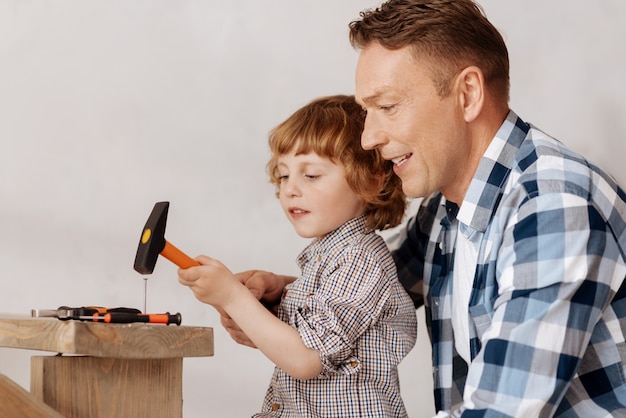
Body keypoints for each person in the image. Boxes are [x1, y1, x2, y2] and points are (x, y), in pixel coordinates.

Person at [220, 1, 626, 417]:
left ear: (467, 94)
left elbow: (500, 411)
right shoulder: (446, 210)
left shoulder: (552, 207)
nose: (368, 138)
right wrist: (280, 295)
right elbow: (371, 289)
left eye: (388, 107)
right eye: (366, 112)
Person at [178, 94, 417, 417]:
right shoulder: (332, 257)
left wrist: (234, 297)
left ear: (373, 179)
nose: (290, 189)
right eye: (284, 175)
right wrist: (281, 290)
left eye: (311, 175)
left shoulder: (361, 260)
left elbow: (306, 358)